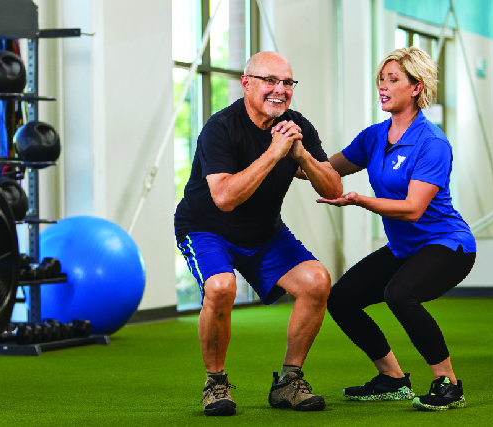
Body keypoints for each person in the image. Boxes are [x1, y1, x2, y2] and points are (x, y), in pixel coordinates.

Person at [174, 51, 343, 416]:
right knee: (220, 287)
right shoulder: (220, 128)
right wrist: (274, 152)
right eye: (270, 80)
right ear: (247, 83)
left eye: (287, 83)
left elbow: (332, 189)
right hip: (207, 228)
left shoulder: (297, 126)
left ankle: (288, 382)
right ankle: (215, 383)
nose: (279, 90)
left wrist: (303, 157)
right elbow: (224, 197)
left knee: (316, 281)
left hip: (264, 233)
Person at [317, 46, 476, 411]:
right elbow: (327, 170)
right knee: (341, 299)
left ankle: (448, 384)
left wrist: (359, 200)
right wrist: (288, 154)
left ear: (416, 87)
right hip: (405, 248)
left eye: (393, 80)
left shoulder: (431, 143)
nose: (383, 87)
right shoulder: (374, 136)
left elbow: (413, 209)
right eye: (381, 79)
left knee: (399, 293)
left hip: (446, 244)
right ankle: (392, 378)